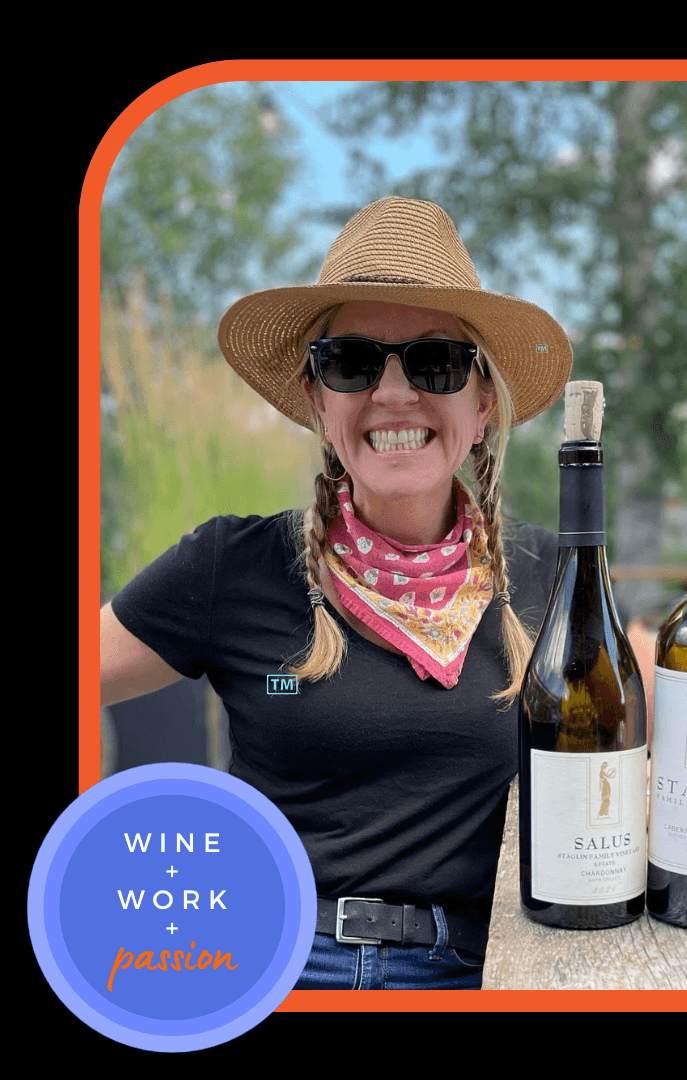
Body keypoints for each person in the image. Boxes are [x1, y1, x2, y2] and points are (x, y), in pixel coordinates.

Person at [99, 196, 573, 990]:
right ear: (319, 399)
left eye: (435, 363)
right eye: (351, 362)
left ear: (482, 402)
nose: (393, 393)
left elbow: (665, 713)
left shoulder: (553, 575)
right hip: (266, 964)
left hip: (483, 968)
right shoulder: (230, 565)